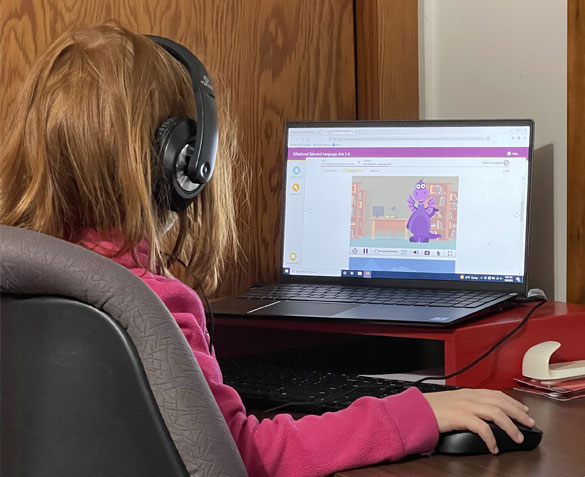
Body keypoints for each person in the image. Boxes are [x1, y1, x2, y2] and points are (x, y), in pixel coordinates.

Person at [0, 24, 535, 477]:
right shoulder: (146, 307)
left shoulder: (22, 275)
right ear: (186, 163)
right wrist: (417, 414)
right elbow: (241, 454)